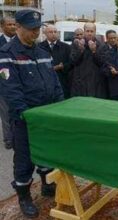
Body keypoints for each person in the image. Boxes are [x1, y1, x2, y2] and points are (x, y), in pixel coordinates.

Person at [0, 10, 63, 218]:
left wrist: (59, 107)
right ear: (18, 27)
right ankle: (24, 196)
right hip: (25, 119)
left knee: (47, 152)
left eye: (38, 29)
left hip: (47, 117)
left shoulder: (43, 53)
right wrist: (26, 115)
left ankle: (46, 185)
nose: (36, 33)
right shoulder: (7, 54)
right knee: (25, 159)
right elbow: (11, 91)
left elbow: (55, 83)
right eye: (31, 29)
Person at [70, 23, 108, 98]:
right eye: (87, 31)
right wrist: (80, 50)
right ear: (84, 32)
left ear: (95, 32)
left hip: (95, 83)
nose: (89, 33)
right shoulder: (77, 44)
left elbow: (103, 63)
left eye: (92, 31)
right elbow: (73, 61)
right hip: (80, 82)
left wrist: (94, 51)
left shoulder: (102, 45)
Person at [39, 25, 72, 98]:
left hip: (62, 80)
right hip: (45, 81)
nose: (53, 34)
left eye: (55, 32)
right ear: (45, 34)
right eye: (50, 32)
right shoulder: (39, 47)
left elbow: (71, 62)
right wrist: (51, 68)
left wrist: (62, 67)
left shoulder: (66, 47)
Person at [0, 17, 16, 149]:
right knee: (6, 113)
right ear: (2, 26)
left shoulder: (19, 42)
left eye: (14, 24)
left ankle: (18, 137)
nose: (12, 27)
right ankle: (9, 140)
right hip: (4, 84)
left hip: (19, 83)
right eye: (9, 24)